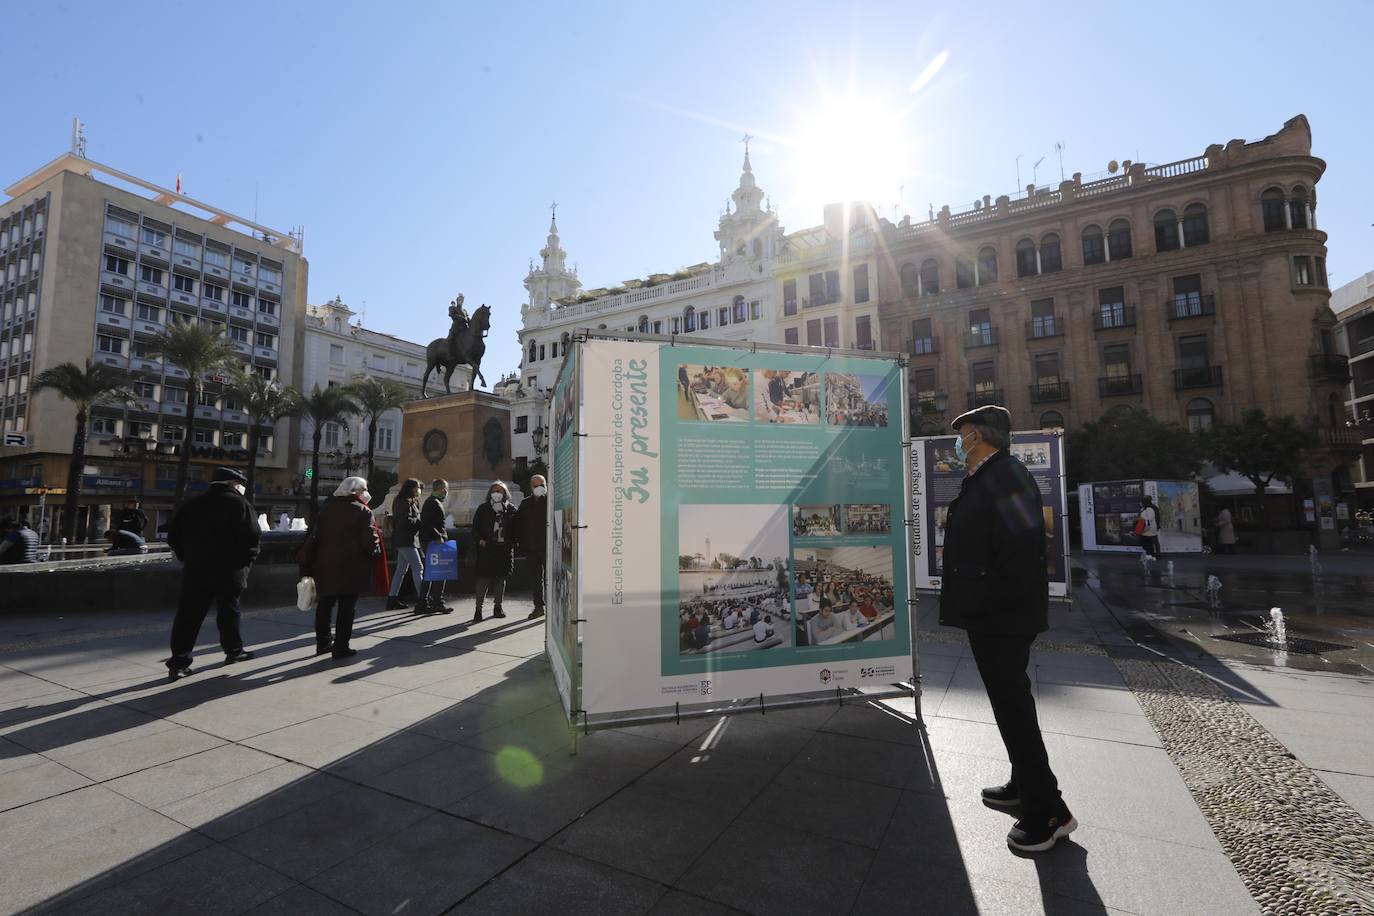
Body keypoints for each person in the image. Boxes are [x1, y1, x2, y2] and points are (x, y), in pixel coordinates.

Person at [939, 405, 1073, 853]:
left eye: (960, 435)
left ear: (975, 435)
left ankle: (1049, 812)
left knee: (1013, 709)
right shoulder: (992, 474)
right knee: (1010, 704)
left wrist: (994, 609)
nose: (957, 444)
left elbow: (1022, 550)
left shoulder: (1007, 475)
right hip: (994, 612)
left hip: (1001, 616)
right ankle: (1022, 785)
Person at [165, 467, 260, 680]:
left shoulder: (192, 504)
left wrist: (186, 556)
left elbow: (173, 536)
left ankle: (179, 663)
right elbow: (253, 536)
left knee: (188, 616)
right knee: (229, 612)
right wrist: (245, 563)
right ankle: (234, 651)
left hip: (196, 570)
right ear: (232, 484)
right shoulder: (240, 504)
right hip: (229, 570)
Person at [304, 477, 380, 659]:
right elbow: (369, 541)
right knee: (347, 608)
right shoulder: (363, 510)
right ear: (356, 491)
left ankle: (322, 643)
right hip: (351, 566)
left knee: (325, 604)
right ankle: (340, 647)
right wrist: (376, 546)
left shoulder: (325, 508)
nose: (366, 493)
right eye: (365, 489)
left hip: (325, 564)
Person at [472, 480, 516, 623]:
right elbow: (475, 529)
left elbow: (516, 529)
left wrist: (513, 542)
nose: (497, 493)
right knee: (483, 580)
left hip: (503, 551)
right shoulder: (483, 509)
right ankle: (478, 610)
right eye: (494, 490)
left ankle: (498, 607)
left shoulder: (510, 509)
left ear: (505, 493)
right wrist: (480, 540)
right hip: (487, 550)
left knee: (500, 580)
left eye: (500, 491)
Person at [387, 479, 425, 610]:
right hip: (407, 540)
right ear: (410, 489)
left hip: (403, 539)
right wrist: (420, 520)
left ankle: (392, 598)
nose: (418, 490)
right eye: (417, 488)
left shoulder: (404, 501)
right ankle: (423, 598)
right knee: (418, 568)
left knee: (401, 570)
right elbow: (406, 521)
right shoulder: (405, 502)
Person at [515, 473, 548, 620]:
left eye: (542, 485)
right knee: (536, 579)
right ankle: (538, 607)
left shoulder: (552, 501)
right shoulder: (525, 503)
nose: (539, 488)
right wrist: (521, 543)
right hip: (531, 548)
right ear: (531, 487)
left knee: (551, 578)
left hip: (549, 547)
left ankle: (553, 606)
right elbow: (518, 524)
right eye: (536, 486)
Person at [418, 478, 452, 614]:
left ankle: (427, 602)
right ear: (440, 489)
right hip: (434, 542)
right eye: (445, 489)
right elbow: (426, 523)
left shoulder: (433, 502)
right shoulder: (432, 503)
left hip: (433, 541)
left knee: (432, 573)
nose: (446, 492)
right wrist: (438, 536)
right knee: (436, 573)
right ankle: (433, 602)